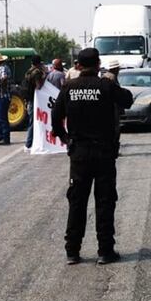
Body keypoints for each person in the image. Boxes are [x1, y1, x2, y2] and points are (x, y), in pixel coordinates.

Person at [51, 48, 134, 265]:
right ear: (98, 64)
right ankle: (105, 251)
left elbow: (55, 118)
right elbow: (127, 100)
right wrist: (111, 80)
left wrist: (67, 140)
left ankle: (72, 251)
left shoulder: (69, 87)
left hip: (79, 154)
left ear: (78, 65)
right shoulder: (105, 85)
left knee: (77, 202)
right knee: (105, 201)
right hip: (104, 153)